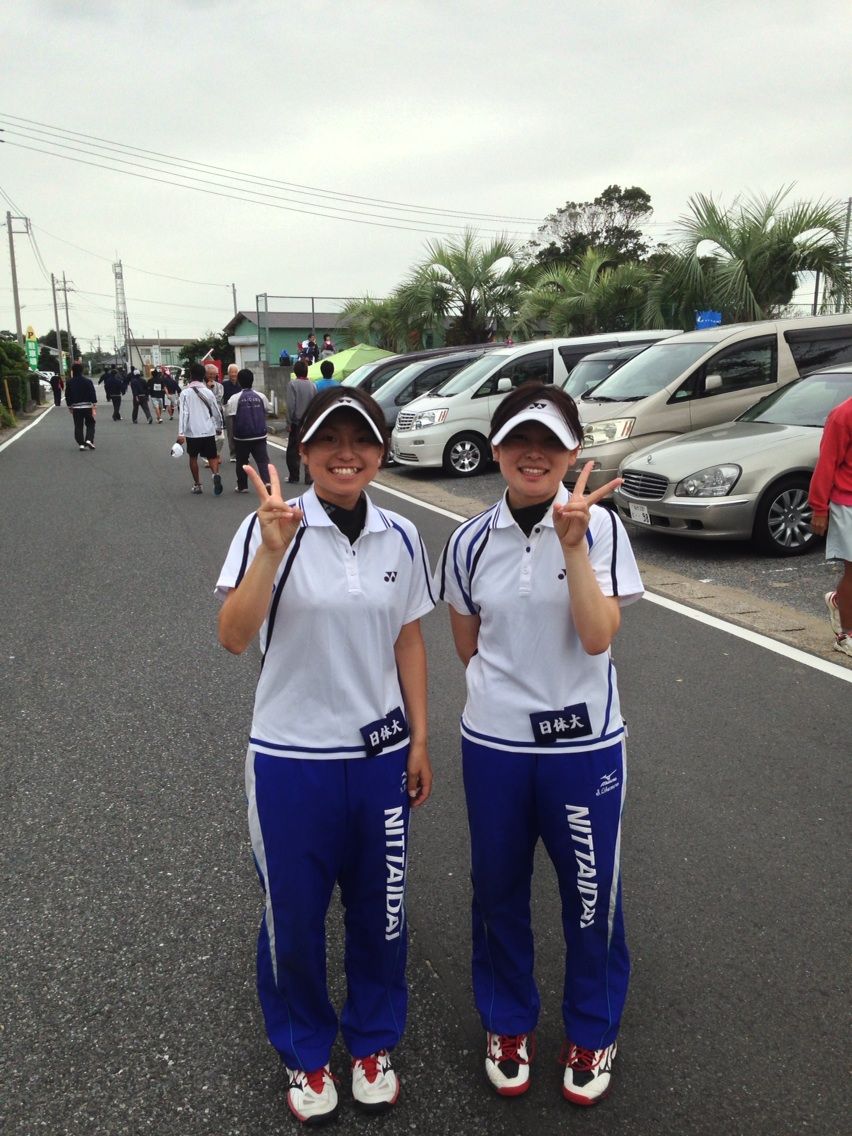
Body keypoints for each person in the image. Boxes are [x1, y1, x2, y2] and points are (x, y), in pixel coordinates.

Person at [215, 386, 434, 1124]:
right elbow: (233, 636)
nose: (347, 454)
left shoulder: (403, 535)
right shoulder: (270, 526)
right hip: (290, 758)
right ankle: (305, 1050)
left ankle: (373, 1042)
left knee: (383, 913)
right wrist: (271, 552)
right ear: (302, 451)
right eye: (329, 441)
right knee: (295, 917)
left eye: (362, 439)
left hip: (380, 758)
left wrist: (420, 737)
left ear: (381, 452)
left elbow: (409, 637)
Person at [436, 383, 643, 1107]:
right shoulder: (467, 540)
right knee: (497, 891)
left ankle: (592, 1029)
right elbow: (469, 644)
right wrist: (510, 705)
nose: (533, 455)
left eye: (549, 443)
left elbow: (597, 636)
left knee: (590, 895)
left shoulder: (602, 528)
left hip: (584, 749)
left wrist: (573, 545)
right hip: (494, 746)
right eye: (519, 440)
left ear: (573, 452)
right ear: (496, 449)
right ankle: (507, 1024)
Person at [808, 394, 852, 657]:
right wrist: (819, 507)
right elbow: (827, 462)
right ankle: (845, 635)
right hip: (848, 502)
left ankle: (838, 601)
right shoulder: (843, 414)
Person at [177, 361, 225, 495]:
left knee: (193, 457)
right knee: (212, 456)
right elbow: (216, 411)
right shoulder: (208, 392)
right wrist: (219, 426)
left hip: (193, 432)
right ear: (203, 376)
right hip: (208, 430)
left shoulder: (185, 393)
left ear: (191, 376)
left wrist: (181, 433)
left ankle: (198, 484)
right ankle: (215, 474)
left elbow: (184, 413)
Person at [226, 368, 272, 493]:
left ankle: (242, 486)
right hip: (260, 434)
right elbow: (269, 410)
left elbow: (229, 413)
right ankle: (267, 482)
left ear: (239, 381)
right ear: (252, 380)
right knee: (262, 460)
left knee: (242, 461)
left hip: (242, 436)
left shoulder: (235, 398)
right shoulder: (261, 396)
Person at [285, 359, 316, 484]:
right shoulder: (312, 385)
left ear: (295, 371)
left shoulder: (292, 384)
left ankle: (294, 476)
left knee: (293, 450)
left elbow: (290, 405)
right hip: (309, 422)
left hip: (296, 422)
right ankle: (309, 476)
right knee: (308, 448)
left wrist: (288, 422)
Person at [65, 361, 97, 450]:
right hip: (87, 406)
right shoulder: (88, 381)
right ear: (82, 371)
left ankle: (81, 444)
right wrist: (94, 403)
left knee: (78, 425)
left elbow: (67, 395)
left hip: (76, 407)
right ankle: (89, 439)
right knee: (90, 423)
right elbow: (92, 393)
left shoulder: (70, 382)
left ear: (73, 371)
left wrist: (69, 406)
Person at [221, 363, 242, 463]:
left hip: (241, 411)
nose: (233, 374)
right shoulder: (224, 385)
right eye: (231, 372)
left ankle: (243, 453)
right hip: (229, 411)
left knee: (242, 432)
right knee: (231, 433)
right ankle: (233, 454)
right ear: (228, 373)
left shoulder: (241, 384)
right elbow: (221, 398)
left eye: (235, 372)